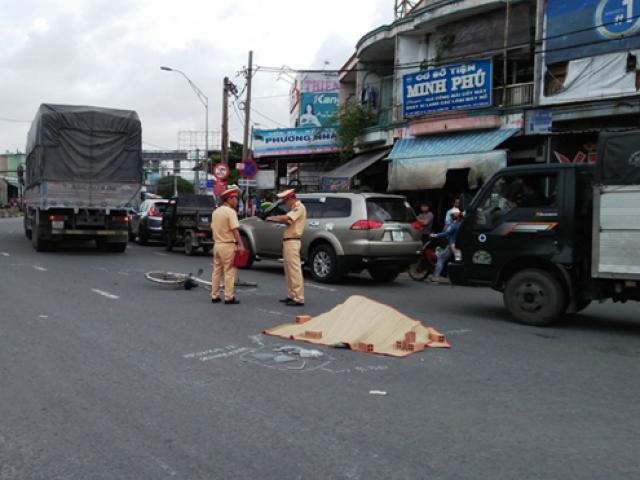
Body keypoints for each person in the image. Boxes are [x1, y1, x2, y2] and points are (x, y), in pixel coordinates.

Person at [266, 189, 307, 306]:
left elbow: (286, 218)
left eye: (285, 200)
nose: (285, 203)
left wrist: (272, 218)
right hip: (288, 242)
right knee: (289, 271)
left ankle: (299, 298)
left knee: (294, 271)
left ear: (291, 198)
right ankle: (291, 295)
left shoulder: (299, 207)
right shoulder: (293, 208)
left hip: (293, 241)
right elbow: (288, 221)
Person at [211, 187, 245, 305]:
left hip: (217, 245)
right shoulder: (230, 212)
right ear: (229, 199)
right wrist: (241, 245)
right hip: (228, 245)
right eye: (235, 198)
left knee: (216, 272)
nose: (236, 201)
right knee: (229, 272)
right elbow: (235, 230)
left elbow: (212, 228)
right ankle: (229, 297)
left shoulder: (216, 211)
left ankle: (214, 296)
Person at [430, 210, 461, 283]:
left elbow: (446, 233)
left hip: (452, 246)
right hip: (458, 246)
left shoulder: (453, 225)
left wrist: (435, 235)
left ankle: (435, 277)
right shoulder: (461, 225)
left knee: (440, 258)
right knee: (459, 260)